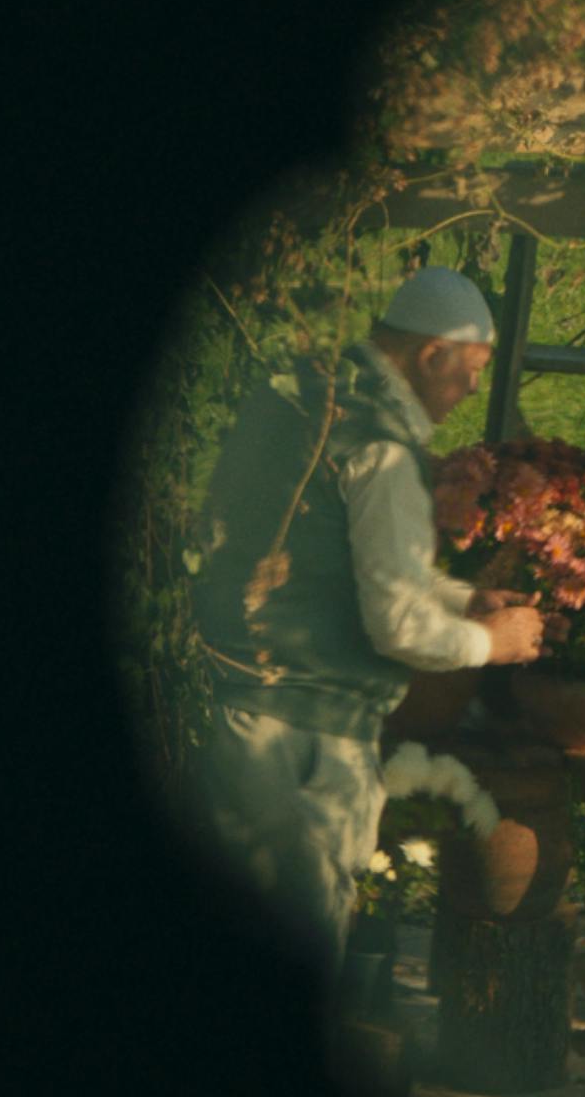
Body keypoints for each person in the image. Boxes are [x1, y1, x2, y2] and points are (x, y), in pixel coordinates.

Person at [187, 266, 545, 989]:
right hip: (306, 740)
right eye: (471, 371)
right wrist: (492, 641)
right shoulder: (382, 445)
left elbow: (339, 563)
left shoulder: (302, 398)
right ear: (431, 356)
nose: (476, 390)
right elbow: (397, 624)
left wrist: (458, 597)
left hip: (232, 709)